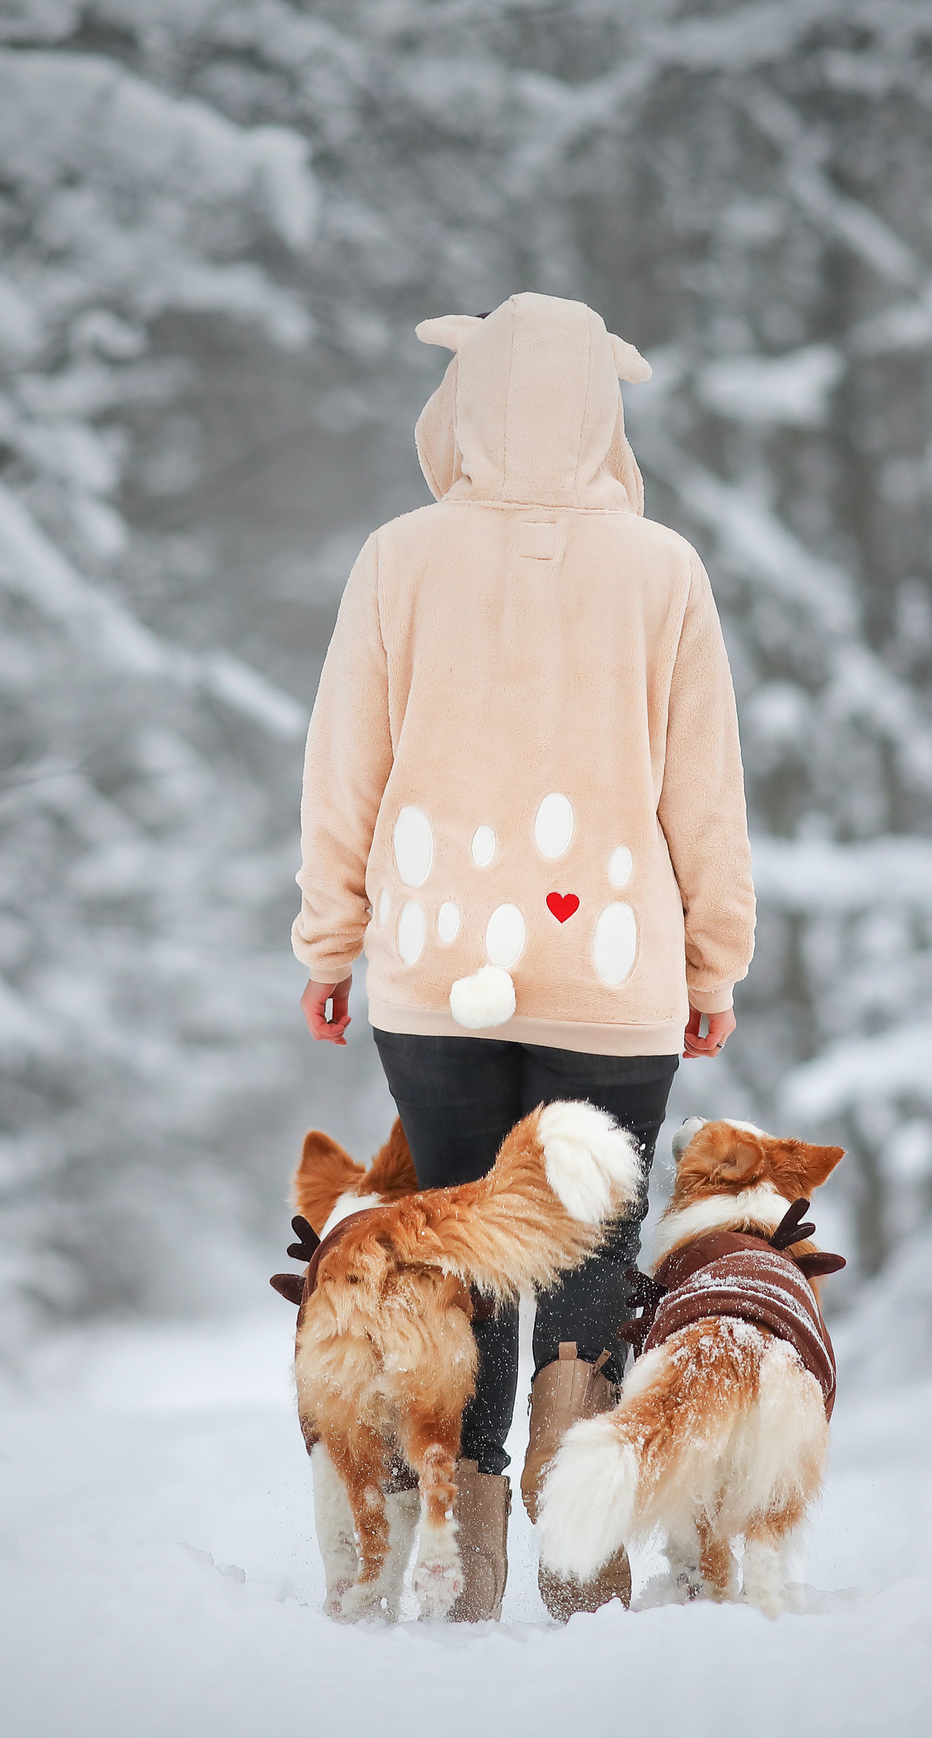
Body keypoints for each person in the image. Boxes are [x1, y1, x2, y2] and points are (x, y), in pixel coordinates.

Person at [290, 292, 755, 1621]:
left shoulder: (400, 556)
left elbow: (345, 766)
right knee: (592, 1239)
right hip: (613, 968)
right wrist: (712, 961)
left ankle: (469, 1544)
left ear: (469, 403)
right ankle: (580, 1518)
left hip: (438, 961)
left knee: (467, 1234)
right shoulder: (664, 569)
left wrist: (330, 936)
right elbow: (703, 792)